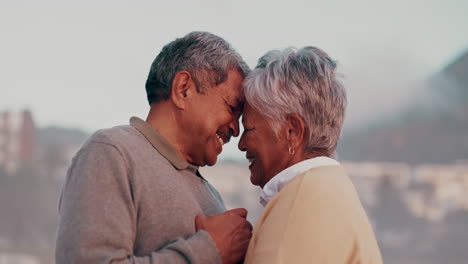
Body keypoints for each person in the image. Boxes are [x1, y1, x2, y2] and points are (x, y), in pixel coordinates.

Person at [56, 31, 253, 264]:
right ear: (184, 89)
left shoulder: (211, 196)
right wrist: (208, 251)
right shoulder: (112, 153)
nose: (235, 129)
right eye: (232, 107)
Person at [238, 47, 383, 264]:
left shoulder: (298, 208)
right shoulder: (330, 188)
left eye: (249, 129)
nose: (241, 144)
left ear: (292, 131)